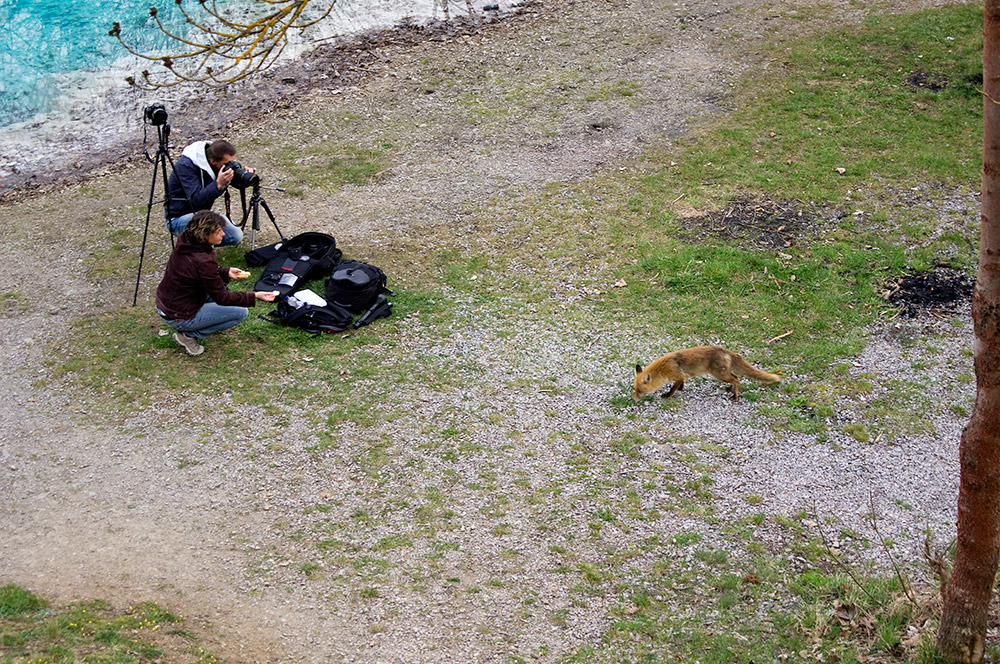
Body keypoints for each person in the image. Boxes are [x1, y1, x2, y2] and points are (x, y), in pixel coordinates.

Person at [156, 210, 277, 356]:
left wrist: (225, 271)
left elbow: (198, 271)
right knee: (240, 312)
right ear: (205, 234)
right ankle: (188, 336)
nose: (223, 235)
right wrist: (255, 295)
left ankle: (201, 319)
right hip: (178, 314)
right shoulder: (202, 261)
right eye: (219, 231)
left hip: (168, 303)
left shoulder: (187, 241)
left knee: (222, 283)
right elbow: (223, 298)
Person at [165, 139, 251, 246]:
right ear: (213, 161)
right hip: (179, 218)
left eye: (231, 161)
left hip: (203, 215)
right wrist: (218, 184)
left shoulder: (215, 160)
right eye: (226, 163)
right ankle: (201, 251)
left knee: (235, 236)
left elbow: (233, 182)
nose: (229, 166)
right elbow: (196, 200)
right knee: (209, 229)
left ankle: (199, 242)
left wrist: (245, 177)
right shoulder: (186, 167)